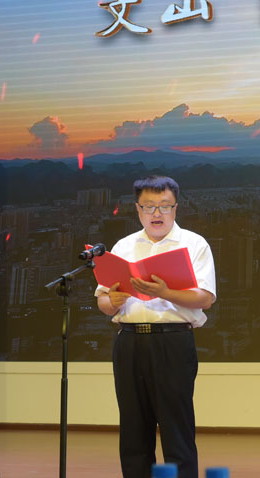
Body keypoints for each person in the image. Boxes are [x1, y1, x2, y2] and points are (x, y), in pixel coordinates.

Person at [95, 176, 216, 478]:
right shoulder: (123, 246)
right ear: (137, 209)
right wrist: (112, 300)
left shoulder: (194, 244)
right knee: (133, 431)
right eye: (149, 206)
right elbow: (103, 301)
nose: (157, 213)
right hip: (129, 342)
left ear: (176, 208)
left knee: (177, 431)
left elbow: (206, 298)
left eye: (164, 206)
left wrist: (165, 292)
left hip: (172, 342)